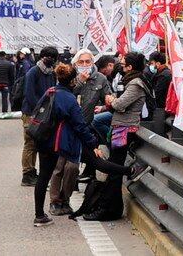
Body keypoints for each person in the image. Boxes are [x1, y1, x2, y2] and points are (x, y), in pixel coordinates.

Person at [34, 63, 144, 225]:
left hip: (44, 140)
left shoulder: (50, 92)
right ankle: (132, 170)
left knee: (43, 177)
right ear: (72, 81)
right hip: (65, 142)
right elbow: (80, 126)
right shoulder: (70, 99)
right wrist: (93, 144)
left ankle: (39, 216)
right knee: (98, 162)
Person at [72, 52, 148, 222]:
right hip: (119, 127)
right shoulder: (128, 81)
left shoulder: (135, 84)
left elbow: (119, 104)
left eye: (123, 63)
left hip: (124, 130)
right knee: (112, 169)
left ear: (130, 67)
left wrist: (109, 101)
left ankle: (108, 209)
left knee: (113, 170)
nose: (119, 65)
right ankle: (112, 208)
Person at [19, 48, 58, 186]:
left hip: (44, 114)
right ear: (41, 57)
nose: (49, 59)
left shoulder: (51, 73)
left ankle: (35, 172)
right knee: (30, 143)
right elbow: (29, 95)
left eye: (52, 57)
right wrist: (40, 111)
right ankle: (27, 174)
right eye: (47, 56)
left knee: (39, 143)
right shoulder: (33, 72)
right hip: (31, 113)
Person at [145, 51, 172, 132]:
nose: (151, 65)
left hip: (162, 108)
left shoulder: (164, 75)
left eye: (152, 63)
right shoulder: (162, 73)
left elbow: (158, 93)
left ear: (158, 63)